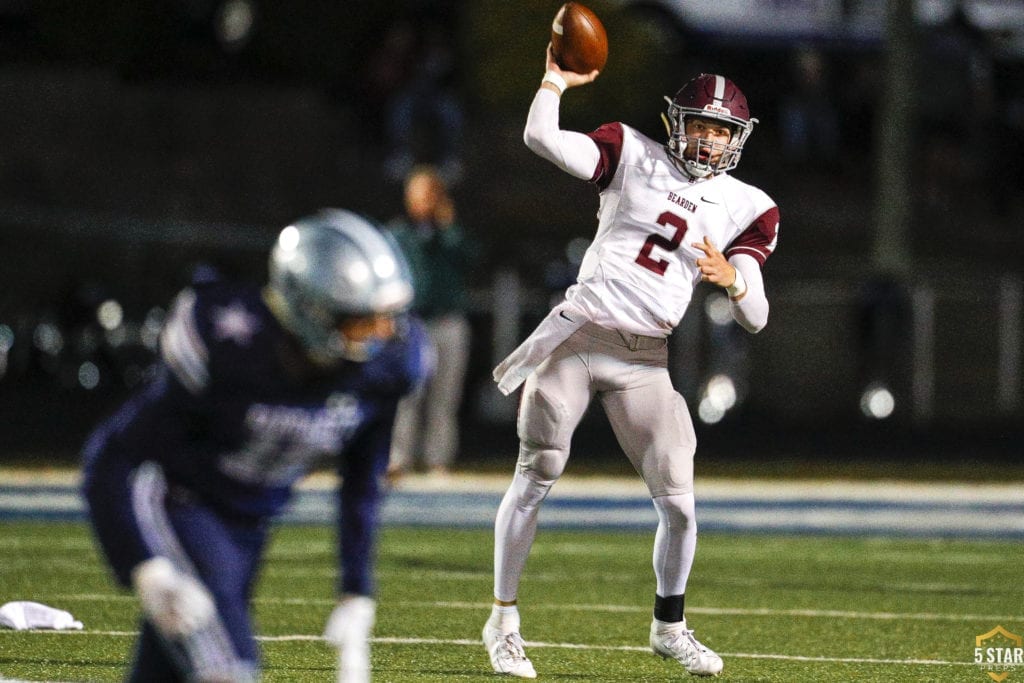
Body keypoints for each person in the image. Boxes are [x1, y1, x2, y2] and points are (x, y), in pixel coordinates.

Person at [482, 46, 780, 678]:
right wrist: (554, 80)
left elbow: (756, 316)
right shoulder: (632, 152)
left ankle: (669, 626)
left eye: (719, 129)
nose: (706, 138)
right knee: (540, 470)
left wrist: (733, 279)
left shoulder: (747, 205)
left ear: (737, 139)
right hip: (580, 335)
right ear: (676, 122)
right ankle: (503, 620)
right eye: (699, 123)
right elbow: (540, 135)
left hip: (648, 357)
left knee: (679, 500)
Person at [81, 209, 431, 683]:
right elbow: (112, 455)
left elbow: (361, 481)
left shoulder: (387, 366)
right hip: (177, 504)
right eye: (361, 323)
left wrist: (357, 593)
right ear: (311, 310)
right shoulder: (235, 345)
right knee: (229, 669)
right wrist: (144, 565)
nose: (383, 335)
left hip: (249, 526)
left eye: (387, 319)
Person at [386, 165, 475, 479]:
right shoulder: (398, 233)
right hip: (411, 323)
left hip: (448, 321)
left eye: (428, 194)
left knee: (444, 396)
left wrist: (447, 226)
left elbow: (471, 259)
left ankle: (438, 459)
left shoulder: (452, 232)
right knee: (406, 395)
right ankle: (397, 459)